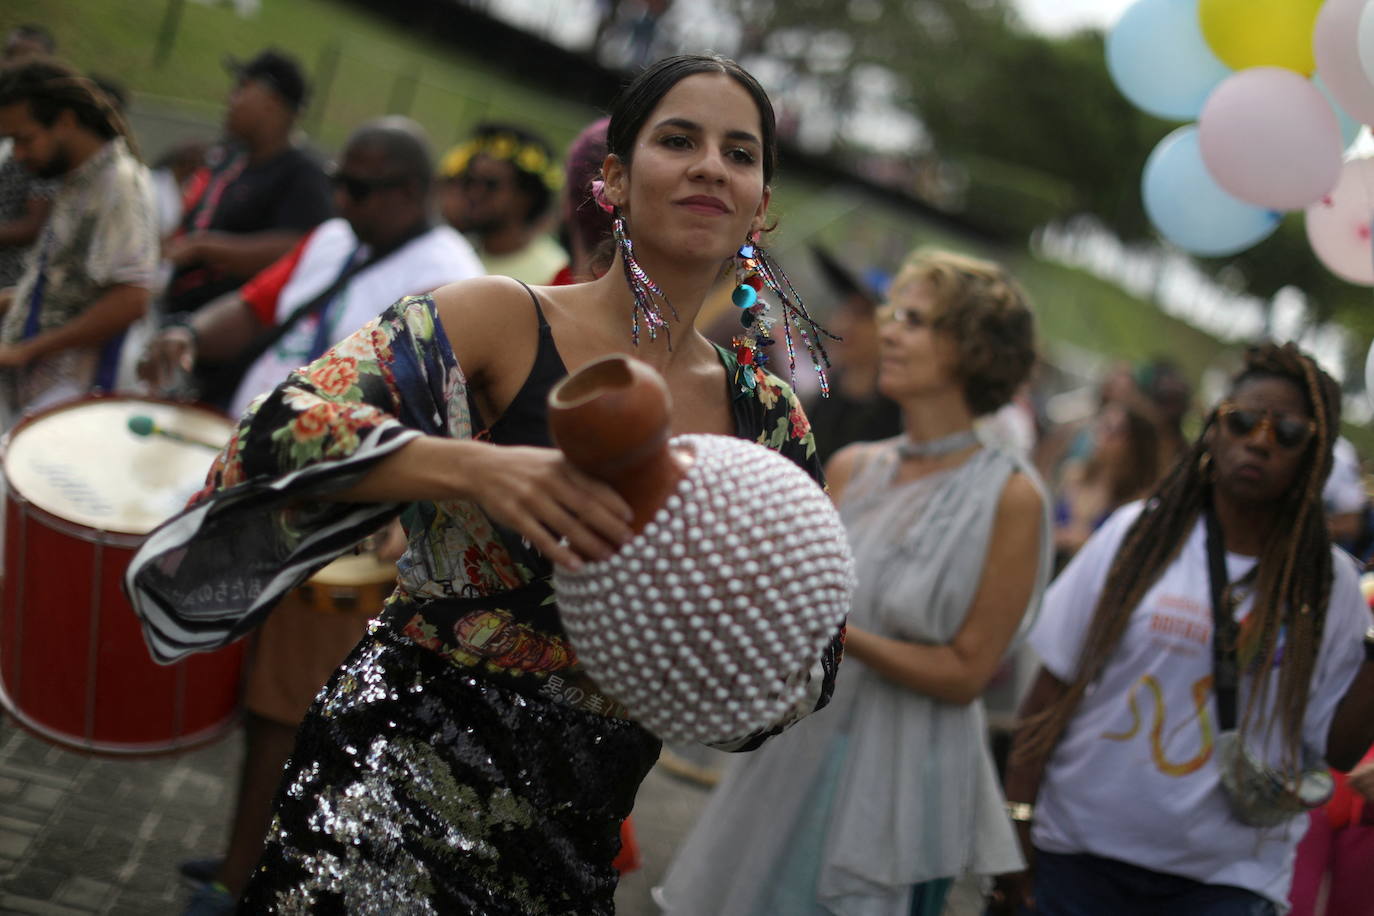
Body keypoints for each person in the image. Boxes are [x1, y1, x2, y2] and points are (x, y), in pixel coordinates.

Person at [126, 54, 843, 913]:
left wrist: (706, 646)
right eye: (679, 139)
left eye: (740, 153)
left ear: (761, 205)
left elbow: (804, 661)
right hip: (393, 791)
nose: (709, 167)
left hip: (578, 828)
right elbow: (277, 434)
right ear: (612, 179)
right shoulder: (499, 318)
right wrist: (480, 466)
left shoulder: (770, 417)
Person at [136, 116, 483, 915]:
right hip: (263, 483)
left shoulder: (456, 281)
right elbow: (263, 309)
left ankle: (247, 884)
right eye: (339, 180)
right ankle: (239, 854)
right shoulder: (331, 236)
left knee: (283, 711)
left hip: (341, 518)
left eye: (359, 188)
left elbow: (455, 417)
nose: (340, 198)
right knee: (262, 703)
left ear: (409, 192)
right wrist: (189, 332)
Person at [657, 249, 1052, 915]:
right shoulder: (852, 467)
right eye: (894, 314)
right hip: (800, 747)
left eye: (917, 320)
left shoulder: (1012, 496)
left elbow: (965, 674)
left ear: (975, 350)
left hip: (902, 777)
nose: (890, 331)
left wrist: (835, 630)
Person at [995, 342, 1374, 915]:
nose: (1260, 440)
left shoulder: (1330, 586)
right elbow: (1051, 689)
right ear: (1214, 431)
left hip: (1228, 877)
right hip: (1080, 854)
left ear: (1314, 455)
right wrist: (1016, 818)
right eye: (1242, 421)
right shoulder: (1138, 536)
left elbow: (1338, 751)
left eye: (1288, 432)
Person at [0, 59, 158, 421]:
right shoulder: (77, 181)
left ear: (66, 122)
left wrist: (26, 350)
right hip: (33, 393)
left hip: (70, 401)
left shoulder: (119, 185)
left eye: (24, 139)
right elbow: (64, 289)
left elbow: (132, 299)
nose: (17, 154)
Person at [162, 49, 332, 322]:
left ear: (271, 102)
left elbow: (295, 248)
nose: (231, 100)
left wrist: (205, 247)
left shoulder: (303, 175)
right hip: (172, 310)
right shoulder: (231, 155)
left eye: (242, 89)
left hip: (220, 333)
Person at [802, 244, 901, 465]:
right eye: (845, 308)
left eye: (863, 315)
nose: (844, 324)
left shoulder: (898, 419)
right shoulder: (824, 395)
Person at [436, 121, 569, 282]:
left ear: (526, 197)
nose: (475, 192)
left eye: (490, 184)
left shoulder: (554, 274)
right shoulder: (454, 251)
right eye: (470, 181)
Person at [1052, 400, 1160, 568]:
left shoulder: (1138, 501)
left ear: (1134, 443)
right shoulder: (1073, 474)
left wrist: (1080, 540)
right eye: (1101, 425)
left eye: (1112, 430)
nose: (1101, 436)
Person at [0, 23, 59, 290]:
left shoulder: (44, 135)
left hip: (7, 285)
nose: (13, 65)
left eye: (26, 58)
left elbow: (35, 225)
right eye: (10, 54)